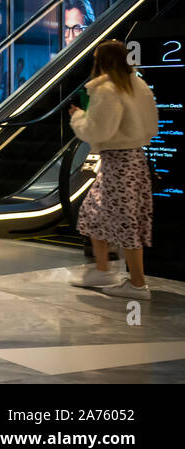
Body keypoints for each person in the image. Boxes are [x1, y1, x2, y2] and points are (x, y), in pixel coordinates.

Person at [68, 39, 159, 299]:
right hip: (134, 160)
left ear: (102, 61)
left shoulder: (107, 89)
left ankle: (138, 284)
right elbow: (152, 122)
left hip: (118, 163)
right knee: (93, 213)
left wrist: (78, 116)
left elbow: (99, 130)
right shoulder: (138, 85)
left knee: (126, 222)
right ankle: (102, 269)